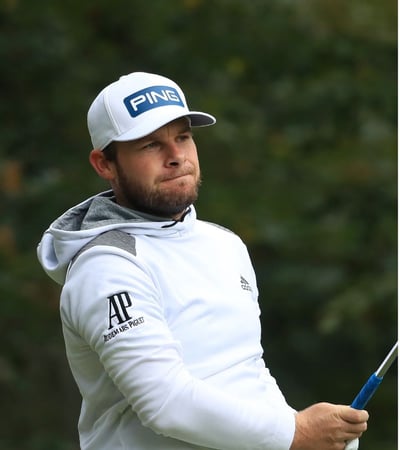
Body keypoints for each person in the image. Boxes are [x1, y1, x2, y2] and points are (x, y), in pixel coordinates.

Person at [36, 72, 368, 450]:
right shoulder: (106, 266)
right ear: (104, 164)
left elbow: (247, 370)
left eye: (182, 137)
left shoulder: (224, 244)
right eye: (150, 145)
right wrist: (295, 434)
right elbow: (165, 402)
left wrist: (305, 431)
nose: (176, 157)